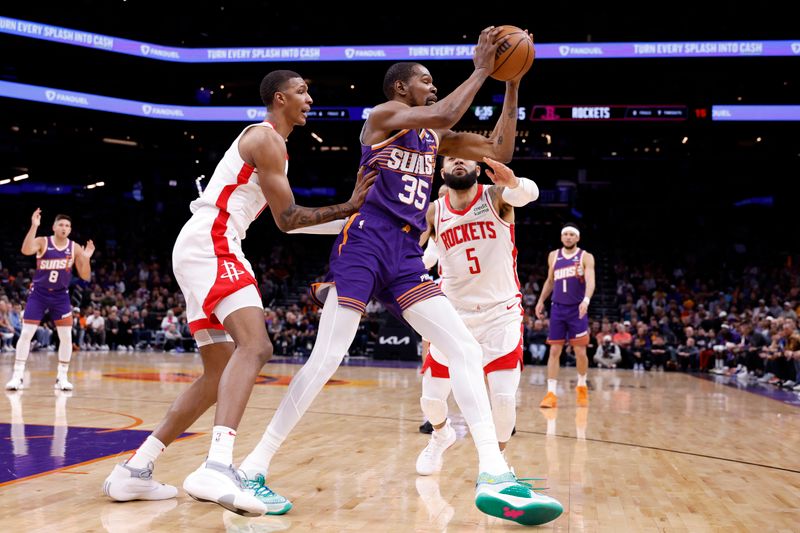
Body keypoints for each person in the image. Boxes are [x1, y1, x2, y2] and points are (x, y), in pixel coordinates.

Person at [239, 28, 563, 526]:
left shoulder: (434, 138)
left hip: (406, 254)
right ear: (400, 89)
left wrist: (512, 81)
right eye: (426, 81)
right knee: (326, 358)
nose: (433, 88)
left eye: (435, 82)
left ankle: (494, 473)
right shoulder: (382, 118)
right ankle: (253, 466)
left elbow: (500, 147)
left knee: (466, 350)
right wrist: (481, 68)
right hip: (365, 242)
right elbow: (442, 113)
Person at [103, 70, 375, 517]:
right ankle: (218, 464)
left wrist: (352, 219)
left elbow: (287, 221)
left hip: (202, 244)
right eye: (303, 91)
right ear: (281, 98)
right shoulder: (267, 140)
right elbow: (288, 219)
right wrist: (351, 205)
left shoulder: (269, 145)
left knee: (218, 373)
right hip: (214, 241)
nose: (310, 98)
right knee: (256, 345)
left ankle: (136, 468)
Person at [414, 156, 539, 478]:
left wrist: (512, 181)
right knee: (430, 400)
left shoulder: (496, 196)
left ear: (475, 168)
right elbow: (416, 252)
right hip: (453, 314)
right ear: (442, 172)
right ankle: (441, 435)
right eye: (451, 157)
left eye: (465, 157)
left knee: (503, 398)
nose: (458, 160)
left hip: (501, 313)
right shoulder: (433, 211)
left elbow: (528, 194)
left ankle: (497, 463)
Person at [5, 210, 94, 391]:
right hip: (38, 294)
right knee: (27, 333)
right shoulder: (43, 241)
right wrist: (34, 226)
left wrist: (85, 258)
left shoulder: (74, 247)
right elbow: (25, 250)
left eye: (67, 226)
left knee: (66, 336)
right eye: (61, 225)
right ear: (54, 227)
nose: (64, 228)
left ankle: (62, 377)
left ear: (70, 230)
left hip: (60, 296)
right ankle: (18, 376)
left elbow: (85, 276)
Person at [535, 224, 595, 408]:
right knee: (554, 351)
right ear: (562, 237)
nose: (568, 237)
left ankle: (582, 386)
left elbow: (591, 281)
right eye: (565, 234)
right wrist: (540, 300)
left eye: (572, 235)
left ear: (577, 238)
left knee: (580, 352)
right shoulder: (554, 255)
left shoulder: (586, 256)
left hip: (577, 309)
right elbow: (550, 280)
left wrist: (586, 300)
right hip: (558, 308)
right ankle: (551, 394)